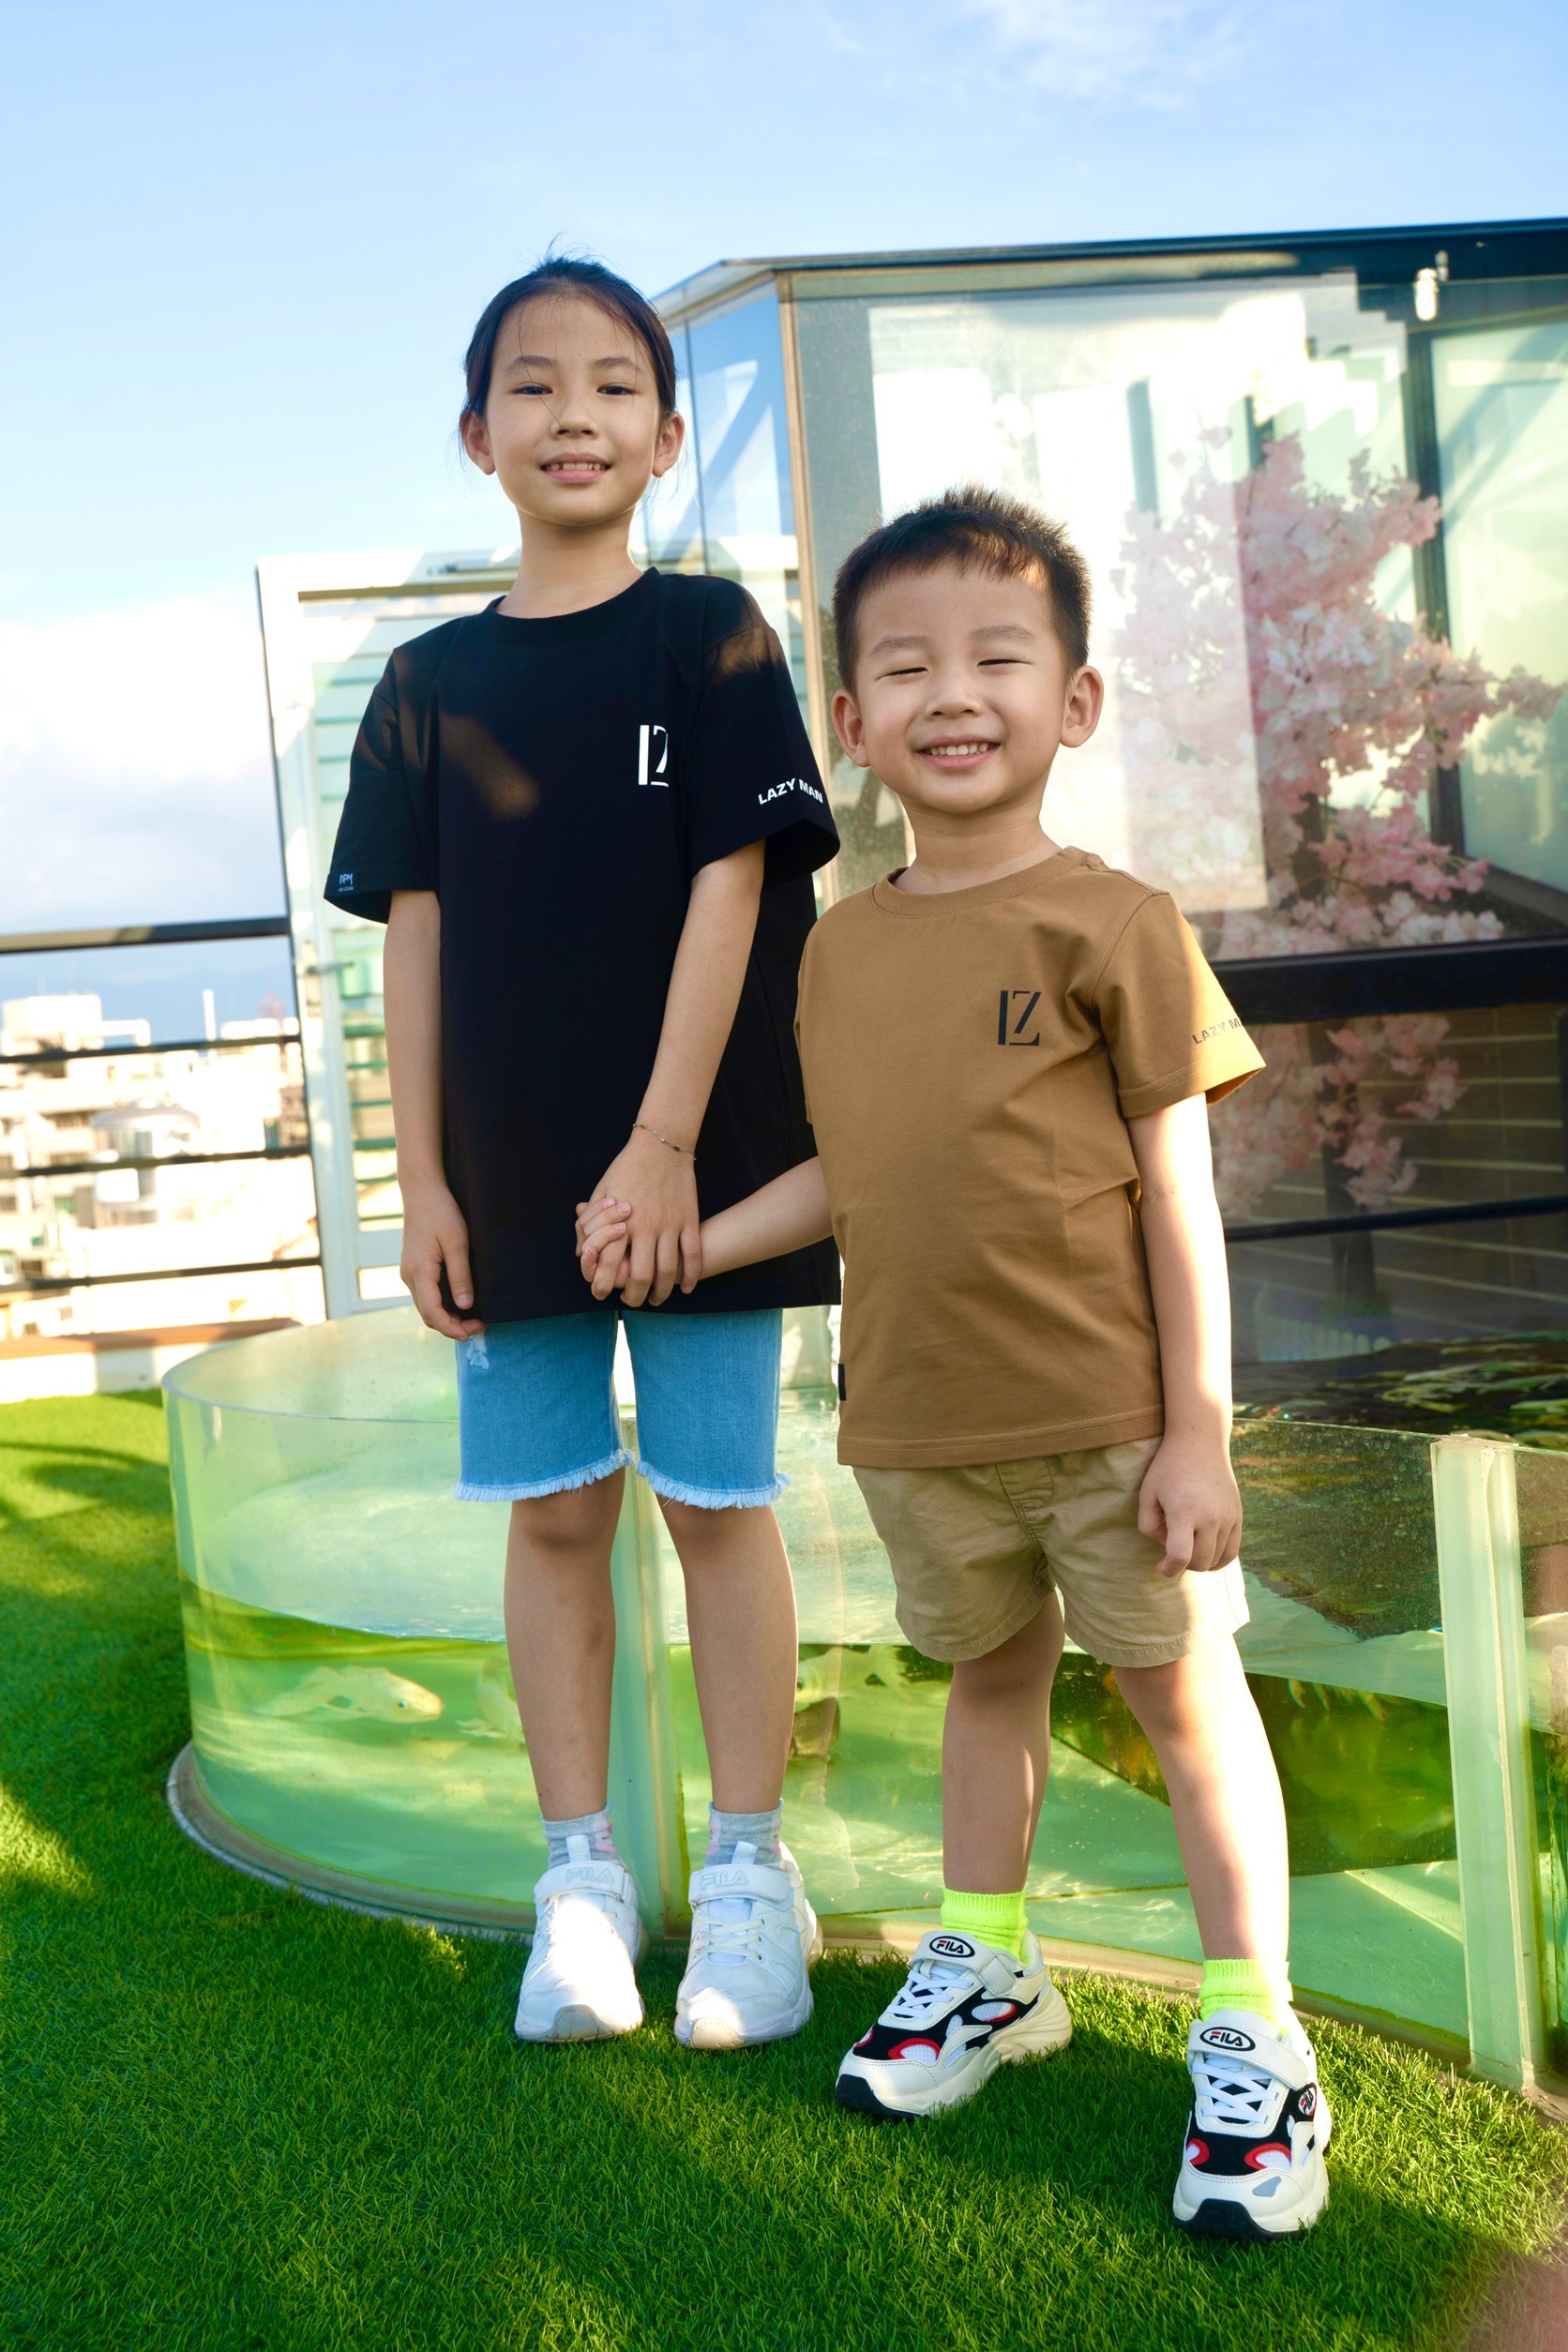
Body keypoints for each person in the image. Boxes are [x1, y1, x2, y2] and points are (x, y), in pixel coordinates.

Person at [581, 486, 1331, 2239]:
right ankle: (992, 1965)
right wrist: (699, 1238)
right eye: (906, 667)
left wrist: (1199, 1431)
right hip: (919, 1429)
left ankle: (1257, 2029)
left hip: (1114, 1426)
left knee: (1185, 1702)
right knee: (987, 1688)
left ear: (1075, 699)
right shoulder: (839, 947)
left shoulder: (1120, 923)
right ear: (852, 723)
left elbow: (1180, 1195)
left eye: (999, 656)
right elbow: (855, 1173)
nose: (955, 693)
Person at [324, 256, 838, 2052]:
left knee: (716, 1504)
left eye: (615, 385)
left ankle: (754, 1878)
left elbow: (735, 889)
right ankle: (582, 1883)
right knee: (554, 1514)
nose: (574, 415)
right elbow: (412, 942)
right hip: (512, 1173)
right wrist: (425, 1184)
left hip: (706, 1163)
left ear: (667, 436)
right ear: (477, 435)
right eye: (533, 386)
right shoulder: (425, 683)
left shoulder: (713, 638)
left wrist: (666, 1145)